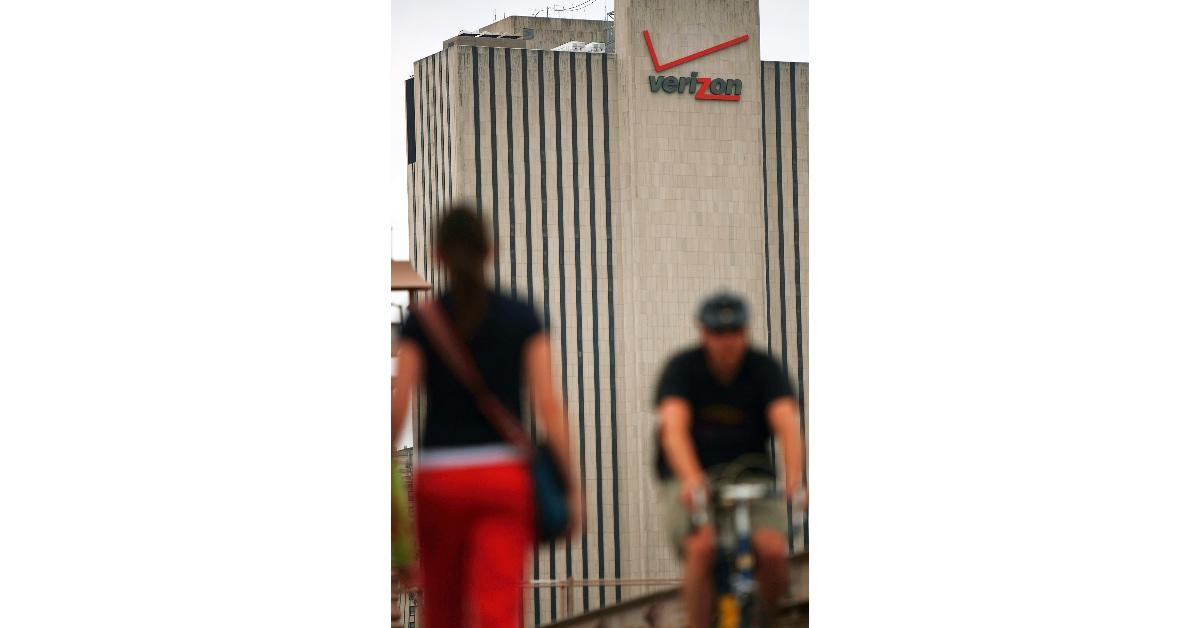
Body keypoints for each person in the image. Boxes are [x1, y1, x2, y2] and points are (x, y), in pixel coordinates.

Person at [391, 207, 580, 628]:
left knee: (442, 611)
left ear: (437, 256)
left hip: (439, 479)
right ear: (491, 251)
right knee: (498, 611)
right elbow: (548, 405)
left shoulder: (421, 323)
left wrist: (393, 521)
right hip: (503, 477)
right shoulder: (522, 316)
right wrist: (572, 489)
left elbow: (396, 410)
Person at [655, 291, 807, 627]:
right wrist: (693, 479)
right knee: (702, 548)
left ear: (746, 332)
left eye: (734, 333)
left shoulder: (763, 369)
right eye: (718, 334)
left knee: (771, 550)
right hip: (689, 472)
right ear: (703, 333)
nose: (727, 342)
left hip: (750, 472)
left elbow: (787, 424)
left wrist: (795, 480)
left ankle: (766, 619)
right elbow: (674, 430)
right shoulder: (682, 368)